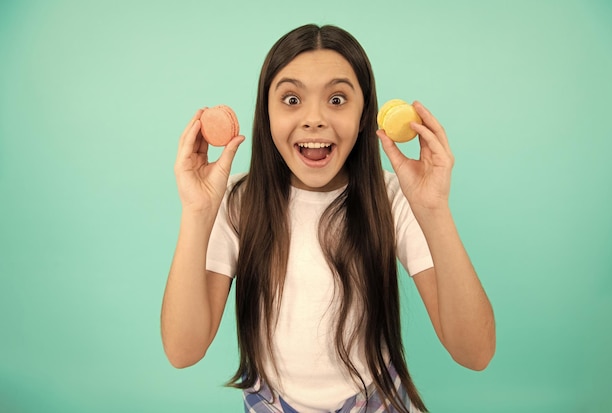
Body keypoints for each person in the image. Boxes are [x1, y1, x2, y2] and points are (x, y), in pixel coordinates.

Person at [161, 24, 495, 413]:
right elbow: (183, 350)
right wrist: (198, 212)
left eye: (337, 99)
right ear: (265, 113)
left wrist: (434, 209)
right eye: (291, 99)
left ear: (364, 113)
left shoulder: (391, 199)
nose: (314, 118)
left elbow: (475, 353)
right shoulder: (237, 200)